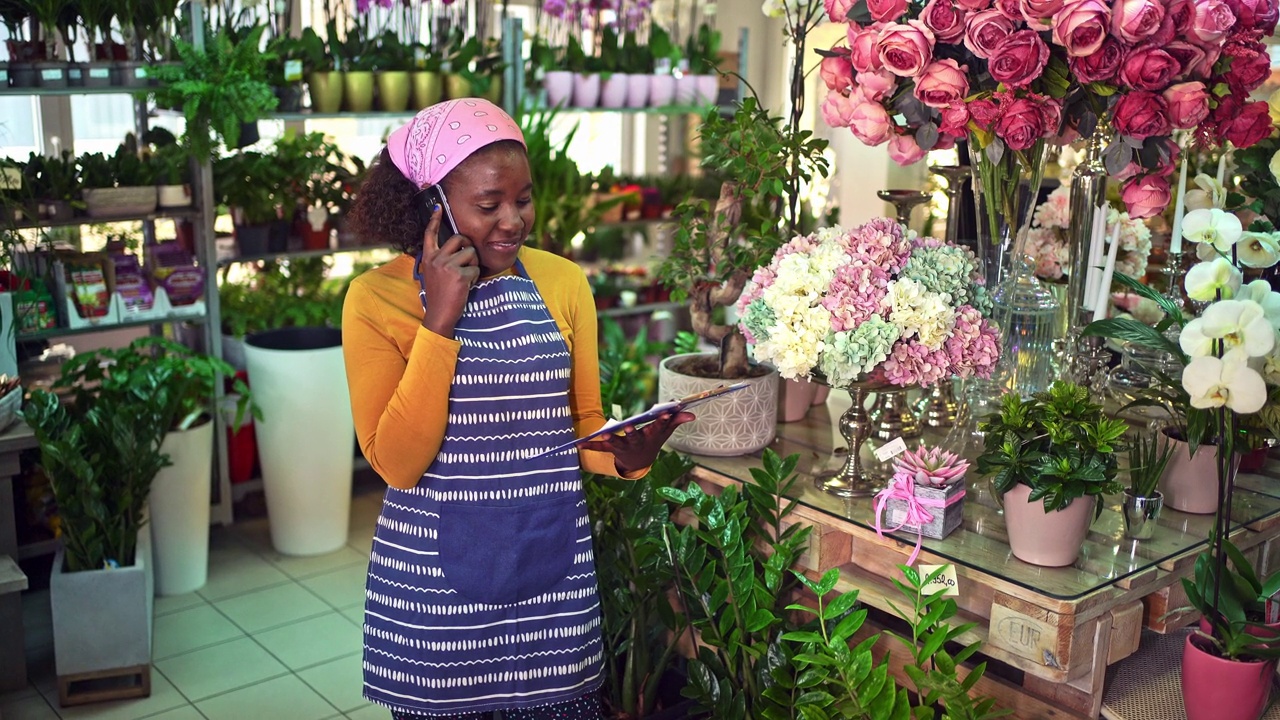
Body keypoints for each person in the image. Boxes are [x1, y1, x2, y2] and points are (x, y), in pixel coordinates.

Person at [341, 98, 692, 720]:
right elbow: (396, 465)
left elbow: (583, 431)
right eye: (487, 205)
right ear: (433, 207)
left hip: (552, 588)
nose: (512, 221)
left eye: (523, 199)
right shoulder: (375, 300)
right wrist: (441, 321)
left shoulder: (562, 282)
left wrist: (627, 458)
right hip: (434, 603)